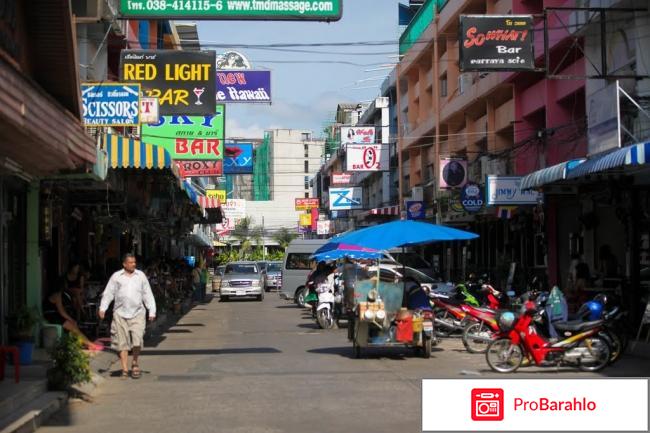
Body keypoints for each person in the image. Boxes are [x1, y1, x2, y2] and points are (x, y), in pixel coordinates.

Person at [99, 253, 156, 380]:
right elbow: (108, 293)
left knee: (137, 340)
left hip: (138, 313)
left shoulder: (140, 276)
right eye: (130, 263)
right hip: (120, 314)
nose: (133, 264)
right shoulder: (116, 277)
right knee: (122, 343)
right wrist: (103, 308)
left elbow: (147, 294)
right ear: (124, 264)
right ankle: (125, 369)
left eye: (134, 262)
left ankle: (135, 362)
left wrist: (151, 311)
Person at [42, 285, 101, 350]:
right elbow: (61, 311)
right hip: (52, 316)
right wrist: (71, 319)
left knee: (74, 327)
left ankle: (86, 343)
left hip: (53, 315)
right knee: (74, 328)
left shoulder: (55, 295)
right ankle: (89, 344)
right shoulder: (57, 295)